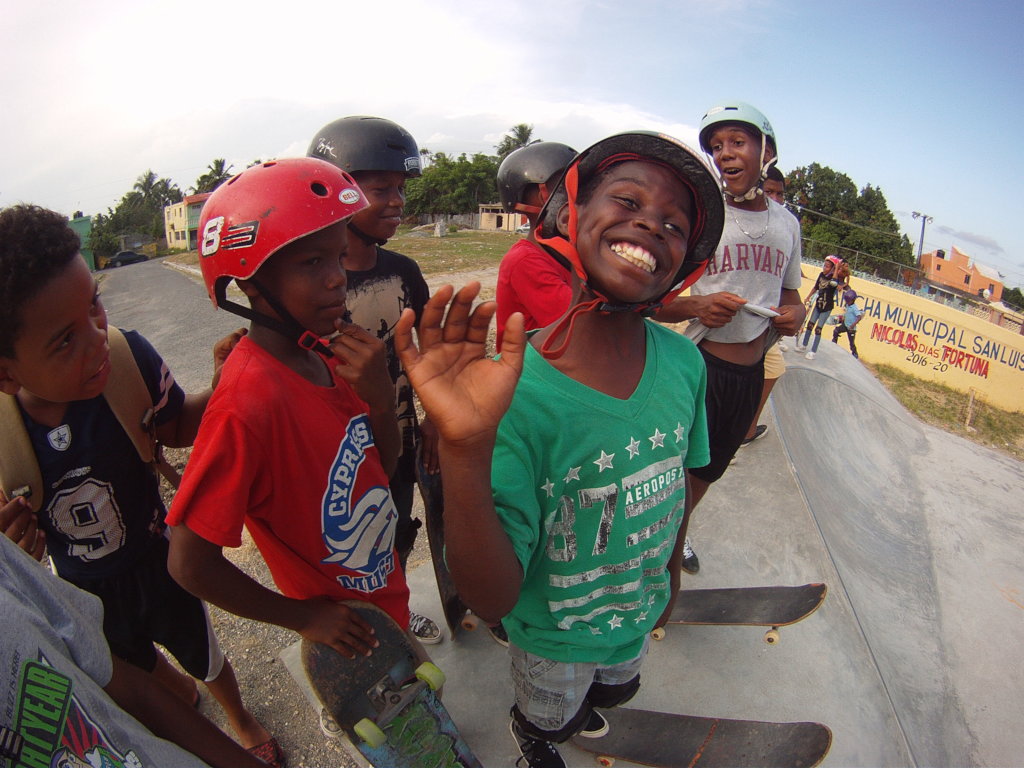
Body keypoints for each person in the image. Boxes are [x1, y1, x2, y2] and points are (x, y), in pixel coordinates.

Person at [396, 131, 725, 768]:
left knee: (615, 687)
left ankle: (585, 710)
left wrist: (670, 578)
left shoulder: (685, 362)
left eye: (673, 223)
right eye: (626, 199)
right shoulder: (513, 391)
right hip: (553, 637)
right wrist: (465, 447)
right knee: (551, 713)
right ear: (569, 216)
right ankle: (535, 739)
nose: (648, 223)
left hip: (637, 611)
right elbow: (490, 598)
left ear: (688, 262)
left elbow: (680, 479)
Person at [0, 205, 279, 766]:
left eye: (95, 306)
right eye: (63, 341)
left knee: (206, 653)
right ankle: (178, 696)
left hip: (161, 562)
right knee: (126, 665)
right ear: (7, 373)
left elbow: (176, 426)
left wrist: (221, 387)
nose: (97, 337)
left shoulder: (129, 361)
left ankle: (241, 719)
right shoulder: (5, 435)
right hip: (84, 589)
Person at [166, 160, 426, 737]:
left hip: (384, 600)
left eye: (337, 256)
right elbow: (188, 562)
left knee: (421, 723)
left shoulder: (328, 354)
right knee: (393, 737)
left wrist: (381, 401)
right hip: (346, 636)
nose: (338, 278)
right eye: (313, 262)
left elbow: (378, 468)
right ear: (251, 283)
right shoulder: (246, 404)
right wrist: (305, 617)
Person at [307, 115, 440, 646]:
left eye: (401, 189)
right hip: (341, 459)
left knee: (397, 538)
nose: (396, 201)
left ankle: (396, 618)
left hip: (401, 442)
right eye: (380, 188)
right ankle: (346, 654)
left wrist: (430, 415)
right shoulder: (313, 283)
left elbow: (428, 352)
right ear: (336, 190)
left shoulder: (405, 271)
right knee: (345, 560)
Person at [656, 102, 805, 573]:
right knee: (669, 469)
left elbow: (792, 294)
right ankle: (647, 545)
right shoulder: (702, 215)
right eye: (717, 147)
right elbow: (649, 300)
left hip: (749, 371)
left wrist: (794, 314)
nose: (725, 154)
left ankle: (673, 537)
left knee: (710, 469)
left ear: (767, 152)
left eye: (737, 142)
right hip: (695, 365)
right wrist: (696, 305)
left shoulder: (788, 225)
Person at [0, 534, 268, 768]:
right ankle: (184, 692)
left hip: (149, 556)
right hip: (86, 580)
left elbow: (128, 685)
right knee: (140, 660)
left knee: (201, 656)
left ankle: (238, 718)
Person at [495, 141, 578, 350]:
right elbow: (583, 327)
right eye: (565, 186)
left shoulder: (564, 253)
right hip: (529, 376)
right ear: (540, 195)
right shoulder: (525, 260)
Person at [743, 165, 790, 443]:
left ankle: (747, 428)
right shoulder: (740, 222)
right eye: (768, 191)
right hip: (729, 322)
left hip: (763, 325)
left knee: (774, 369)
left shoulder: (785, 229)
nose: (774, 198)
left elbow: (789, 287)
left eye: (779, 193)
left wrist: (795, 311)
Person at [796, 255, 844, 360]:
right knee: (810, 325)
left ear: (832, 269)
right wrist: (808, 297)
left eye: (827, 267)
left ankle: (813, 351)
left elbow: (834, 283)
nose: (824, 268)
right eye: (824, 266)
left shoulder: (834, 279)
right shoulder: (821, 275)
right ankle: (804, 345)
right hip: (818, 304)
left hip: (826, 308)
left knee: (818, 329)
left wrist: (836, 268)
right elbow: (816, 287)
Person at [832, 288, 864, 357]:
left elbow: (859, 317)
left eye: (848, 301)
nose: (847, 302)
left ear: (853, 300)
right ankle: (834, 343)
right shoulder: (847, 305)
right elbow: (846, 313)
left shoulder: (854, 308)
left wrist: (853, 325)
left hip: (851, 329)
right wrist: (843, 318)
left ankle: (855, 354)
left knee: (851, 343)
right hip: (845, 325)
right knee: (836, 331)